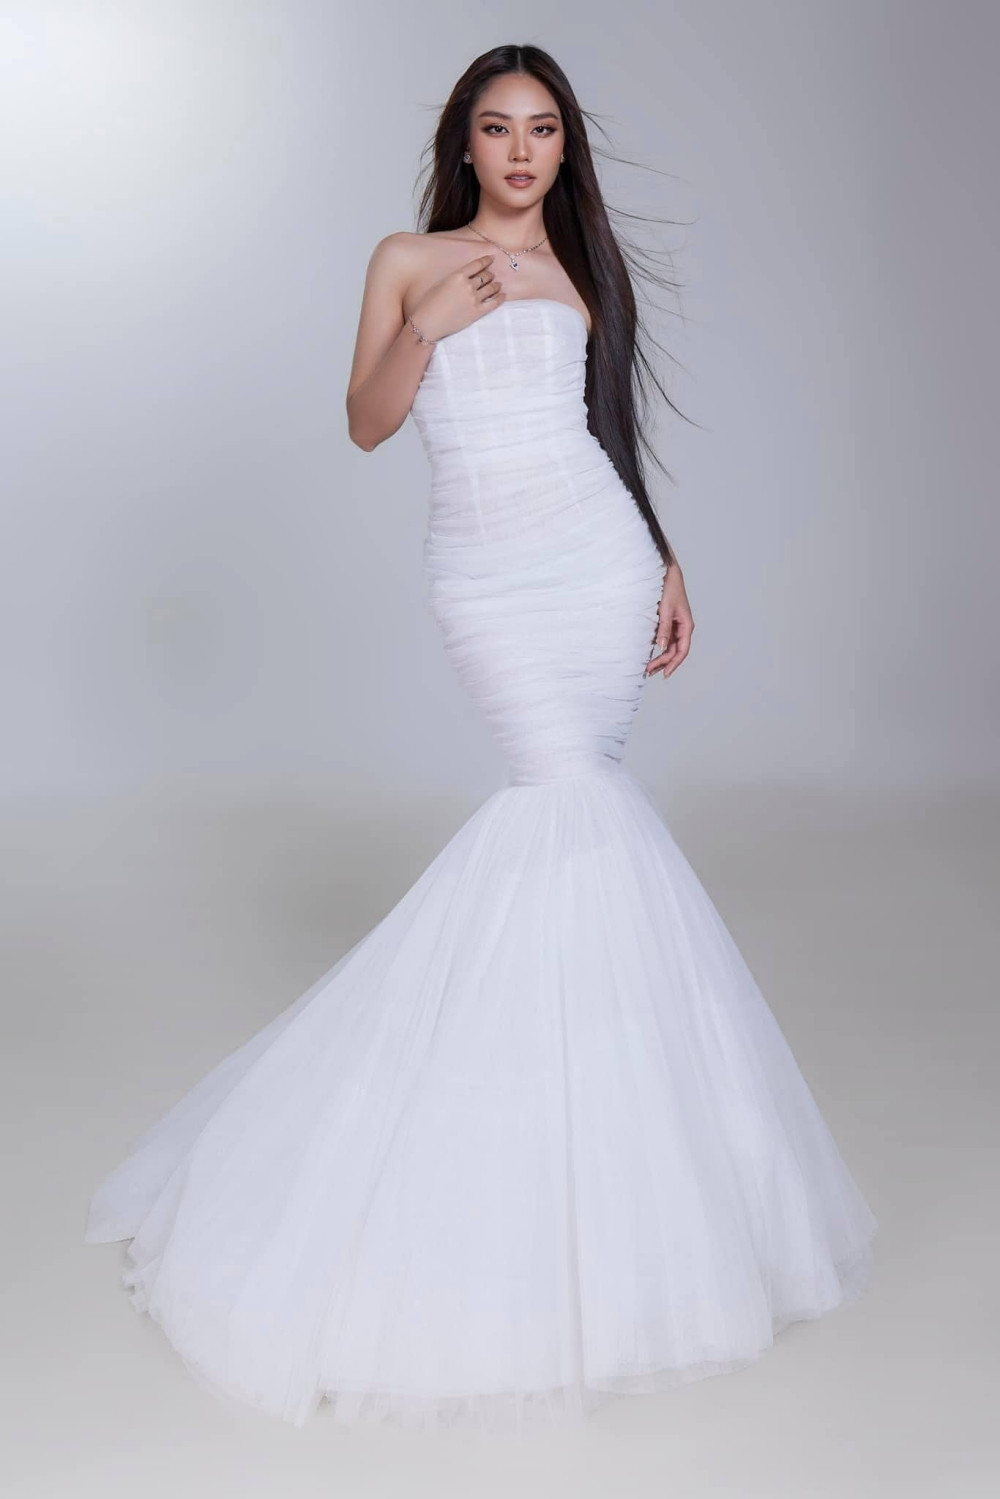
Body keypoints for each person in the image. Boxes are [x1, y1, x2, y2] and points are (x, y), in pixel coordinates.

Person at [84, 43, 878, 1434]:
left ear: (565, 150)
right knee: (560, 800)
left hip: (596, 557)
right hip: (490, 578)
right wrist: (431, 322)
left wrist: (664, 557)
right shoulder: (408, 260)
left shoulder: (582, 272)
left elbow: (604, 434)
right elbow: (366, 423)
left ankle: (609, 1164)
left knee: (587, 812)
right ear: (464, 144)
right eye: (498, 128)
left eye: (544, 130)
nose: (521, 151)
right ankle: (504, 1157)